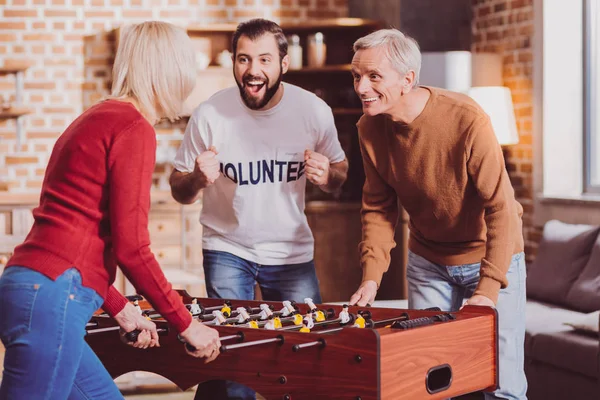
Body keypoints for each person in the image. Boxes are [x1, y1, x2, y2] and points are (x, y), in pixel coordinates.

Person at [0, 21, 221, 400]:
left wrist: (120, 307)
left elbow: (75, 239)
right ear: (169, 69)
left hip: (33, 287)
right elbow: (131, 248)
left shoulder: (92, 119)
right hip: (53, 298)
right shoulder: (135, 128)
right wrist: (187, 325)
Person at [169, 18, 348, 400]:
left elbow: (340, 175)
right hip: (227, 250)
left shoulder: (313, 110)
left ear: (284, 64)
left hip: (291, 251)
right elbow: (180, 190)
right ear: (233, 62)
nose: (253, 71)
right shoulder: (210, 114)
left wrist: (327, 175)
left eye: (264, 59)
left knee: (306, 353)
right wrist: (198, 179)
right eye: (244, 59)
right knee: (236, 357)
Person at [348, 29, 527, 400]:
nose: (361, 87)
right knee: (426, 383)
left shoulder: (466, 119)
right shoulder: (368, 128)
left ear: (407, 79)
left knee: (503, 385)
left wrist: (488, 290)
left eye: (374, 76)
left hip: (490, 257)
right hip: (428, 260)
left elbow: (501, 208)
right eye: (356, 76)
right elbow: (379, 208)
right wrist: (371, 278)